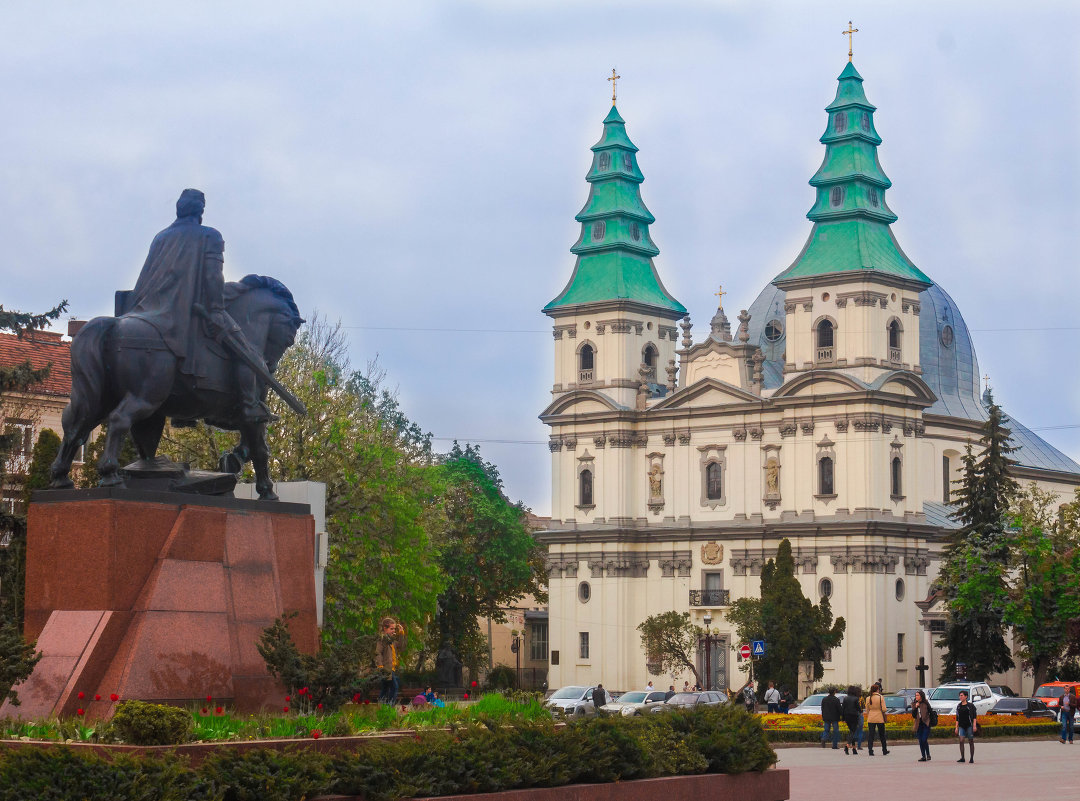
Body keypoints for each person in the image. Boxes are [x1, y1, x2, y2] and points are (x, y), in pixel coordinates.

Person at [127, 189, 268, 423]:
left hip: (146, 308)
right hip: (184, 309)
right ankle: (249, 406)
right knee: (248, 352)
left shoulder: (160, 237)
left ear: (178, 208)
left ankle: (181, 412)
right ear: (201, 210)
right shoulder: (210, 236)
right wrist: (216, 309)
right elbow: (214, 278)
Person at [376, 617, 407, 705]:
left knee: (385, 688)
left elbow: (401, 646)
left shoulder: (392, 641)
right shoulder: (382, 640)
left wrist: (401, 633)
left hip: (391, 669)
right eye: (391, 628)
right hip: (385, 669)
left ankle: (381, 705)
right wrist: (380, 666)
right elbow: (378, 653)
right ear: (385, 629)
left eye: (394, 628)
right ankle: (390, 706)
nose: (394, 631)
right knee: (394, 687)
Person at [864, 683, 890, 756]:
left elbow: (867, 710)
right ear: (877, 690)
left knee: (871, 735)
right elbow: (884, 709)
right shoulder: (880, 697)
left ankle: (870, 751)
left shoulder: (868, 698)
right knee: (882, 735)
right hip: (879, 717)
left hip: (871, 717)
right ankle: (884, 750)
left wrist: (869, 715)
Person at [955, 689, 978, 763]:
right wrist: (956, 727)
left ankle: (971, 758)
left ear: (966, 697)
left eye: (962, 695)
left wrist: (974, 726)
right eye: (959, 696)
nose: (960, 697)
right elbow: (957, 718)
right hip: (961, 726)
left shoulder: (970, 706)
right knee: (961, 740)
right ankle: (962, 757)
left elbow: (974, 716)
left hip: (969, 725)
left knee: (970, 741)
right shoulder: (959, 706)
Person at [912, 689, 932, 762]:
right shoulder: (914, 704)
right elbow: (913, 715)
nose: (916, 696)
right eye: (916, 695)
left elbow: (931, 712)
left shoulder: (925, 703)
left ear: (921, 696)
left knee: (924, 739)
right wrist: (916, 707)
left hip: (926, 723)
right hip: (918, 724)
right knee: (920, 740)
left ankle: (928, 754)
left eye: (917, 695)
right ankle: (923, 756)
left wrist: (930, 721)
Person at [841, 685, 861, 754]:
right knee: (852, 731)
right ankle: (847, 746)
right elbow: (858, 708)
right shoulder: (856, 698)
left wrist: (843, 718)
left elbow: (843, 709)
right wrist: (861, 711)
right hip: (854, 716)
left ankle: (854, 749)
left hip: (847, 717)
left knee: (851, 731)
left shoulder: (845, 698)